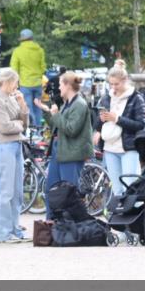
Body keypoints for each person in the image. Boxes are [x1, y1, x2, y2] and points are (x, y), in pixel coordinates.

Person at [36, 71, 93, 203]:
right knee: (51, 190)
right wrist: (47, 112)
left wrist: (56, 114)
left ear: (68, 85)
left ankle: (70, 217)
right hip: (60, 152)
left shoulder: (79, 104)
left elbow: (71, 130)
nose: (59, 87)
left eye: (61, 84)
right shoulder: (67, 103)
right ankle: (52, 216)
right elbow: (57, 127)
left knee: (68, 192)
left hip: (71, 154)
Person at [93, 66, 145, 198]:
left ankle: (134, 211)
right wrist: (99, 126)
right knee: (116, 189)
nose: (113, 87)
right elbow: (98, 121)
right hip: (109, 148)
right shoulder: (106, 98)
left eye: (116, 84)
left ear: (125, 80)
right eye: (111, 84)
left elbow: (141, 125)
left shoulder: (136, 98)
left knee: (129, 186)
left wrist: (117, 119)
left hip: (128, 148)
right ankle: (119, 210)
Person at [0, 68, 28, 243]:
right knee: (5, 192)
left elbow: (25, 123)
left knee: (17, 192)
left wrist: (22, 105)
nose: (17, 86)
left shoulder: (12, 98)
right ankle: (2, 233)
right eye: (16, 82)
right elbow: (4, 127)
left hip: (16, 145)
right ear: (8, 82)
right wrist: (19, 124)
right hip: (4, 146)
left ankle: (14, 229)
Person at [10, 28, 47, 127]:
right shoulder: (40, 50)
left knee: (28, 107)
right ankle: (39, 128)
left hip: (25, 84)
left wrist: (16, 82)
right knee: (38, 106)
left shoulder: (18, 51)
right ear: (32, 38)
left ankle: (32, 129)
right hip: (38, 83)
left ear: (22, 39)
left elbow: (14, 69)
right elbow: (43, 67)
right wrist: (38, 76)